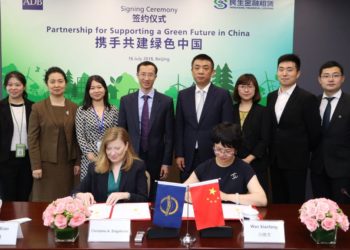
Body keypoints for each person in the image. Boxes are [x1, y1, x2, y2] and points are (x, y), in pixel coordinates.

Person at [266, 54, 321, 204]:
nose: (284, 73)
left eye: (289, 70)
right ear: (277, 72)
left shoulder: (307, 98)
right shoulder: (271, 97)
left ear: (298, 73)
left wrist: (299, 150)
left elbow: (315, 133)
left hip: (296, 161)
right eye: (281, 69)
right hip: (274, 159)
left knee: (295, 200)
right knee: (277, 200)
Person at [118, 61, 174, 200]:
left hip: (156, 157)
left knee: (154, 194)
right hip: (131, 155)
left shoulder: (166, 101)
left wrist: (166, 162)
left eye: (150, 75)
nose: (146, 78)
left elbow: (169, 135)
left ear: (155, 77)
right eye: (143, 74)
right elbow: (121, 132)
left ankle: (152, 221)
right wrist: (122, 156)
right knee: (132, 191)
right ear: (137, 75)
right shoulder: (126, 101)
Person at [175, 54, 234, 182]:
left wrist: (222, 152)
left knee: (211, 193)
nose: (201, 71)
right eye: (197, 68)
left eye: (205, 68)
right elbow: (179, 127)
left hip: (213, 153)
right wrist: (179, 153)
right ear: (192, 71)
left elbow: (227, 127)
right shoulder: (183, 95)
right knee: (187, 192)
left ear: (212, 72)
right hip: (187, 155)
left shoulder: (222, 95)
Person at [28, 67, 80, 202]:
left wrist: (78, 162)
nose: (56, 85)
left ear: (65, 84)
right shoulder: (38, 107)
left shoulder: (74, 107)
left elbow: (77, 137)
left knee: (68, 201)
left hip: (68, 165)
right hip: (45, 166)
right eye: (52, 82)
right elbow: (32, 139)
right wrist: (36, 166)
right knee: (45, 200)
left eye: (60, 81)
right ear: (47, 84)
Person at [184, 122, 267, 207]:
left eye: (228, 151)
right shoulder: (204, 167)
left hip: (235, 216)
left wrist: (226, 197)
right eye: (218, 149)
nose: (222, 154)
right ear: (213, 146)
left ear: (235, 150)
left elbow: (262, 200)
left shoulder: (244, 168)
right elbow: (181, 191)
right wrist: (193, 196)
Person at [72, 127, 148, 205]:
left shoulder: (137, 166)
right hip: (102, 215)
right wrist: (82, 195)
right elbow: (75, 192)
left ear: (126, 146)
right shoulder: (94, 167)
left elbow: (143, 198)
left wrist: (126, 195)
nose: (112, 153)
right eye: (108, 149)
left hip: (128, 214)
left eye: (117, 148)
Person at [310, 61, 350, 204]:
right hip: (318, 169)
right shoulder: (313, 102)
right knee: (320, 213)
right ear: (320, 80)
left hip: (343, 170)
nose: (331, 79)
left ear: (343, 78)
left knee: (343, 213)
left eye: (335, 75)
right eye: (326, 76)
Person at [232, 74, 270, 197]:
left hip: (256, 163)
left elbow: (265, 139)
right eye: (243, 86)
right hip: (232, 162)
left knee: (256, 200)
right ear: (237, 89)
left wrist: (248, 159)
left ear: (255, 90)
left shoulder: (263, 111)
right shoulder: (230, 109)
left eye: (250, 86)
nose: (246, 90)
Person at [75, 75, 119, 180]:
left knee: (107, 187)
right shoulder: (82, 110)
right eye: (92, 88)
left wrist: (111, 153)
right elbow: (80, 136)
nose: (96, 91)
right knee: (89, 188)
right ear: (88, 91)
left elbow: (116, 134)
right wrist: (89, 154)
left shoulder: (113, 110)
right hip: (89, 157)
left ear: (105, 89)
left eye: (99, 87)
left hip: (110, 155)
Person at [0, 71, 33, 201]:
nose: (13, 88)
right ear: (5, 87)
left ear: (24, 86)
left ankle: (23, 221)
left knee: (24, 196)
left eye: (17, 85)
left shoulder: (33, 107)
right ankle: (7, 222)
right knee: (7, 197)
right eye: (10, 85)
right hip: (5, 160)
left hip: (27, 159)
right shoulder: (1, 106)